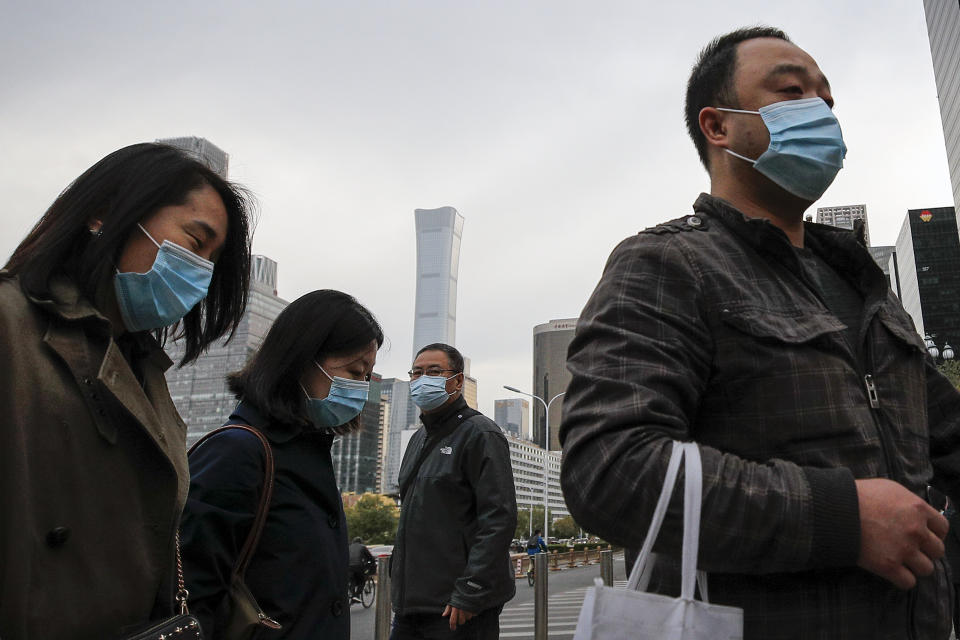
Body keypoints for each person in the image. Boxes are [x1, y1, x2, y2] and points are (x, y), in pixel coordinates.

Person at [560, 26, 960, 639]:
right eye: (793, 93)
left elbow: (946, 441)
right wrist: (841, 517)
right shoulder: (668, 265)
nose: (821, 114)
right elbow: (609, 469)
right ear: (718, 127)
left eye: (827, 101)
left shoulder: (870, 290)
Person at [0, 142, 253, 639]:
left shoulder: (145, 369)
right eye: (194, 241)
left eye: (212, 260)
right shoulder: (10, 329)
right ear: (104, 213)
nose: (200, 274)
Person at [180, 290, 383, 639]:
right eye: (354, 371)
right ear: (303, 359)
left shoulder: (310, 455)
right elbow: (191, 598)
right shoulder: (238, 453)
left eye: (367, 376)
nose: (362, 388)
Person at [390, 343, 517, 639]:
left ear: (458, 381)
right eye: (416, 372)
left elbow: (499, 518)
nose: (423, 379)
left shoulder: (481, 433)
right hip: (411, 605)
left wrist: (471, 590)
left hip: (457, 607)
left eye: (434, 372)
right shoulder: (418, 438)